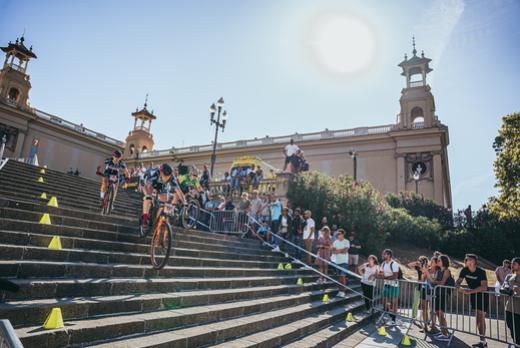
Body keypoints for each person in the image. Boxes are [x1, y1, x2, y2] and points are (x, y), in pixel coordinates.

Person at [456, 254, 488, 348]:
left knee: (480, 318)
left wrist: (470, 291)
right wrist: (459, 288)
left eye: (470, 259)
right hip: (473, 295)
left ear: (474, 262)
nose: (467, 261)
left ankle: (483, 342)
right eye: (466, 259)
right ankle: (483, 341)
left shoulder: (481, 271)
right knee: (478, 319)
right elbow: (457, 282)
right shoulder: (464, 270)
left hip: (482, 296)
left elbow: (484, 287)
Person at [139, 163, 178, 231]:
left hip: (159, 186)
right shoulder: (154, 173)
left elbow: (177, 191)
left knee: (167, 198)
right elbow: (148, 186)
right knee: (148, 197)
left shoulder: (171, 176)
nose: (166, 177)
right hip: (146, 182)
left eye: (168, 176)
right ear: (161, 172)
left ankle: (156, 220)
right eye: (165, 176)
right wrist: (149, 195)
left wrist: (183, 204)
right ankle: (145, 219)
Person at [424, 255, 453, 342]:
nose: (438, 261)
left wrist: (429, 276)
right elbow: (434, 282)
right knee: (438, 313)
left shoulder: (447, 271)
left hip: (442, 294)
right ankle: (443, 331)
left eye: (439, 260)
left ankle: (444, 334)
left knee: (440, 314)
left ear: (444, 261)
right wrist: (433, 281)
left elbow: (442, 283)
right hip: (437, 294)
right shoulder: (440, 270)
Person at [378, 249, 400, 325]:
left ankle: (393, 319)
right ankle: (389, 315)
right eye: (383, 254)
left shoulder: (394, 264)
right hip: (386, 284)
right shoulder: (383, 264)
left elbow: (395, 275)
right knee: (384, 301)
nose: (383, 255)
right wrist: (379, 274)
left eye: (385, 254)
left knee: (393, 302)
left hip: (394, 285)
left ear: (389, 255)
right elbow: (381, 273)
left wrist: (385, 277)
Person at [504, 257, 520, 346]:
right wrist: (506, 289)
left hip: (519, 310)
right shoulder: (509, 276)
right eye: (512, 263)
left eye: (514, 263)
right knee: (511, 327)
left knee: (518, 330)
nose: (512, 265)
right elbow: (503, 287)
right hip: (509, 307)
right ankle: (516, 343)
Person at [332, 229, 349, 297]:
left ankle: (343, 291)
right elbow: (333, 251)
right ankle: (340, 291)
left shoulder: (346, 241)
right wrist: (341, 250)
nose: (338, 235)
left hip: (344, 261)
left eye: (339, 234)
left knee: (343, 276)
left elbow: (345, 251)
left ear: (342, 234)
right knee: (339, 277)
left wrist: (338, 251)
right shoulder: (335, 242)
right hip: (337, 262)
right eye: (337, 234)